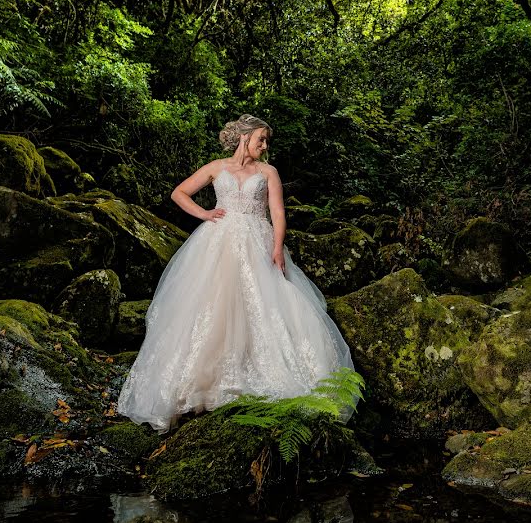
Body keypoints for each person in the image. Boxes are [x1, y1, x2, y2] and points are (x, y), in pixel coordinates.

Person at [117, 114, 354, 432]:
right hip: (218, 242)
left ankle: (259, 380)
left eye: (266, 140)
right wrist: (204, 213)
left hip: (259, 242)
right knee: (212, 308)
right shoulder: (216, 167)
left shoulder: (268, 172)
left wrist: (277, 247)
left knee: (262, 308)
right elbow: (179, 193)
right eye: (261, 139)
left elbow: (278, 212)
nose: (264, 145)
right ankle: (201, 385)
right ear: (245, 137)